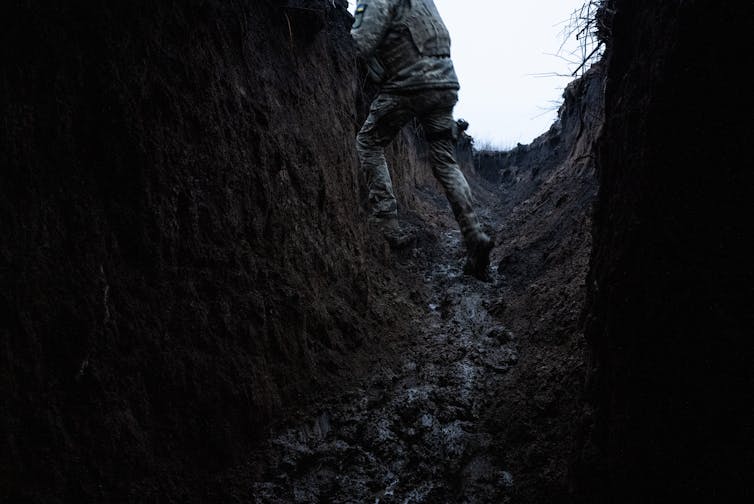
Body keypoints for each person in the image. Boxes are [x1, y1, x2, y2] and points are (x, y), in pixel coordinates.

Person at [350, 0, 493, 280]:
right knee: (446, 163)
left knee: (369, 142)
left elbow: (361, 43)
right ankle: (475, 235)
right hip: (445, 84)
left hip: (410, 85)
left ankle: (387, 223)